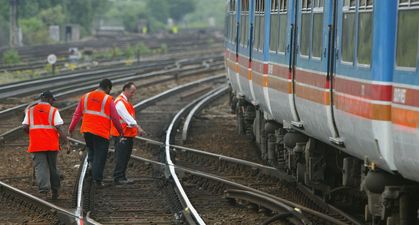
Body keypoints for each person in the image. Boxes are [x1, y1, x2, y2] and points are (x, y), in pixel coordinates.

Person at [68, 79, 124, 187]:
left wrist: (71, 129)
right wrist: (120, 131)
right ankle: (97, 180)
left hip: (87, 130)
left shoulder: (86, 96)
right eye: (109, 90)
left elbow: (76, 115)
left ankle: (90, 163)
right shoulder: (108, 99)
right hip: (101, 132)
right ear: (108, 88)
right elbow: (115, 118)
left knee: (91, 149)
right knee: (100, 155)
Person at [22, 91, 67, 200]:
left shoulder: (30, 111)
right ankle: (55, 190)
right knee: (53, 167)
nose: (52, 102)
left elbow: (24, 126)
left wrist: (32, 133)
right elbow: (59, 128)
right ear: (49, 99)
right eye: (52, 100)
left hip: (36, 144)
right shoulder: (53, 111)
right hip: (52, 144)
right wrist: (66, 142)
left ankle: (44, 191)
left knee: (41, 167)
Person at [110, 82, 146, 185]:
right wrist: (138, 128)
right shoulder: (120, 102)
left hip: (126, 134)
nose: (133, 94)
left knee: (125, 156)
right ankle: (119, 177)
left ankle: (122, 176)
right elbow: (128, 118)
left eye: (134, 92)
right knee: (122, 156)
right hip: (122, 135)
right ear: (125, 89)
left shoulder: (125, 102)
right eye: (131, 92)